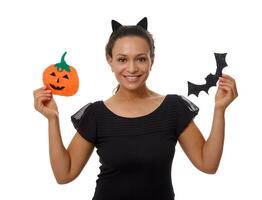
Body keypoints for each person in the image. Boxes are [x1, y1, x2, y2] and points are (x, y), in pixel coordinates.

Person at [33, 17, 238, 200]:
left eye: (140, 59)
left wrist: (219, 110)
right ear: (110, 61)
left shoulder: (173, 108)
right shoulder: (96, 115)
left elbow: (208, 164)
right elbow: (64, 174)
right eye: (122, 59)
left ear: (152, 61)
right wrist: (53, 119)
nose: (131, 68)